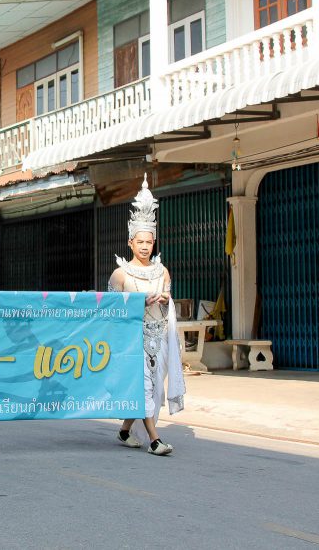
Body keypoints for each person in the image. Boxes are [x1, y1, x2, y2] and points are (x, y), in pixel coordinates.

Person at [107, 175, 185, 456]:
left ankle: (125, 430)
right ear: (130, 242)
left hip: (158, 338)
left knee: (153, 390)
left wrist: (164, 301)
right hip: (133, 341)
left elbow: (166, 307)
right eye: (139, 241)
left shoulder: (163, 272)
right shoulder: (120, 275)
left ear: (154, 243)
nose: (144, 246)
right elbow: (112, 314)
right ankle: (154, 440)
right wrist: (137, 306)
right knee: (144, 387)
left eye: (148, 242)